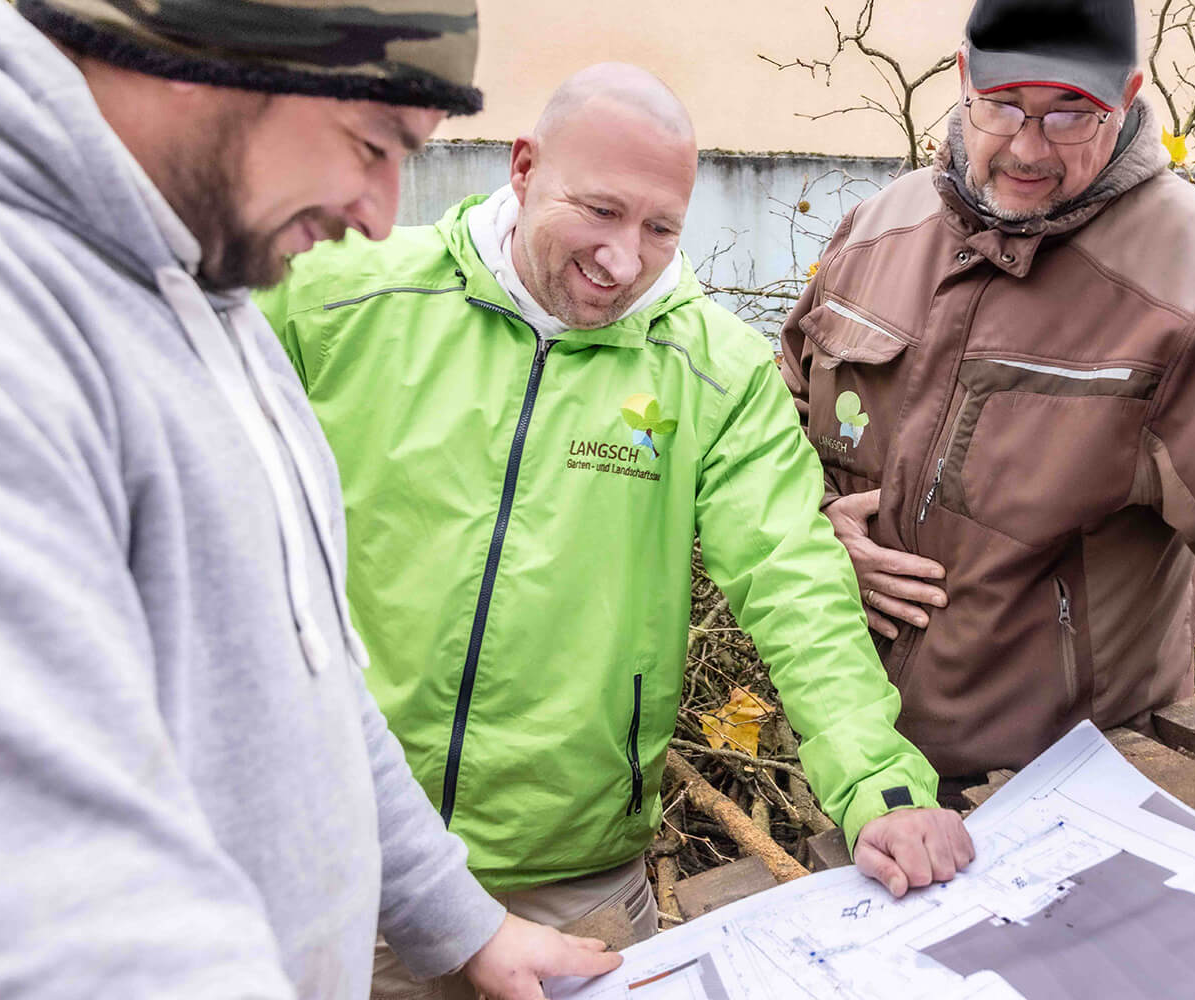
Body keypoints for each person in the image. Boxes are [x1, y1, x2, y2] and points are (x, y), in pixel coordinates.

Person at [0, 1, 624, 996]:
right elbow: (31, 905)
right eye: (372, 143)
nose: (380, 214)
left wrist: (460, 919)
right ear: (207, 47)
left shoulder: (206, 280)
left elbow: (303, 677)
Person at [255, 63, 973, 999]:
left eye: (661, 228)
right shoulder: (335, 295)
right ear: (523, 168)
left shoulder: (714, 371)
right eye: (599, 211)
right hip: (342, 855)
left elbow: (793, 577)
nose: (625, 260)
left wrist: (878, 783)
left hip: (574, 880)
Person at [781, 0, 1195, 923]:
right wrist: (816, 536)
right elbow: (772, 438)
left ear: (1129, 96)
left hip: (1058, 804)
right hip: (843, 774)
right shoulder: (877, 231)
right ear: (963, 80)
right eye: (1004, 106)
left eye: (1071, 114)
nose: (1028, 147)